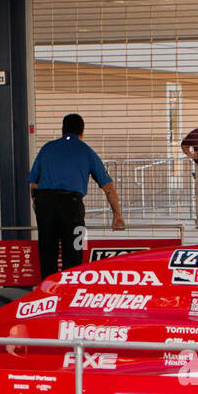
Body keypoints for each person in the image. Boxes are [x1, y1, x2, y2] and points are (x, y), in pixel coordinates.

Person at [28, 113, 125, 281]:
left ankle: (47, 294)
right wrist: (117, 215)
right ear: (82, 131)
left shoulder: (47, 148)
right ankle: (70, 294)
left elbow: (33, 183)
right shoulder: (86, 151)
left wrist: (38, 201)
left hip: (45, 206)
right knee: (74, 252)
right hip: (72, 207)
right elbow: (108, 187)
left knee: (47, 253)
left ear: (63, 129)